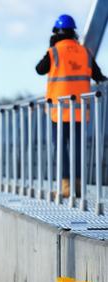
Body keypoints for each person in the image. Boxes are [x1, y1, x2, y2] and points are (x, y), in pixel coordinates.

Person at [35, 14, 107, 197]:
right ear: (73, 32)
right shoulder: (84, 52)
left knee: (61, 149)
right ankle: (78, 186)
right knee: (77, 148)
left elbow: (39, 69)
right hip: (80, 111)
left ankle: (66, 188)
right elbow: (98, 76)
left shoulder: (54, 52)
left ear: (56, 33)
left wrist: (51, 47)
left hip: (58, 112)